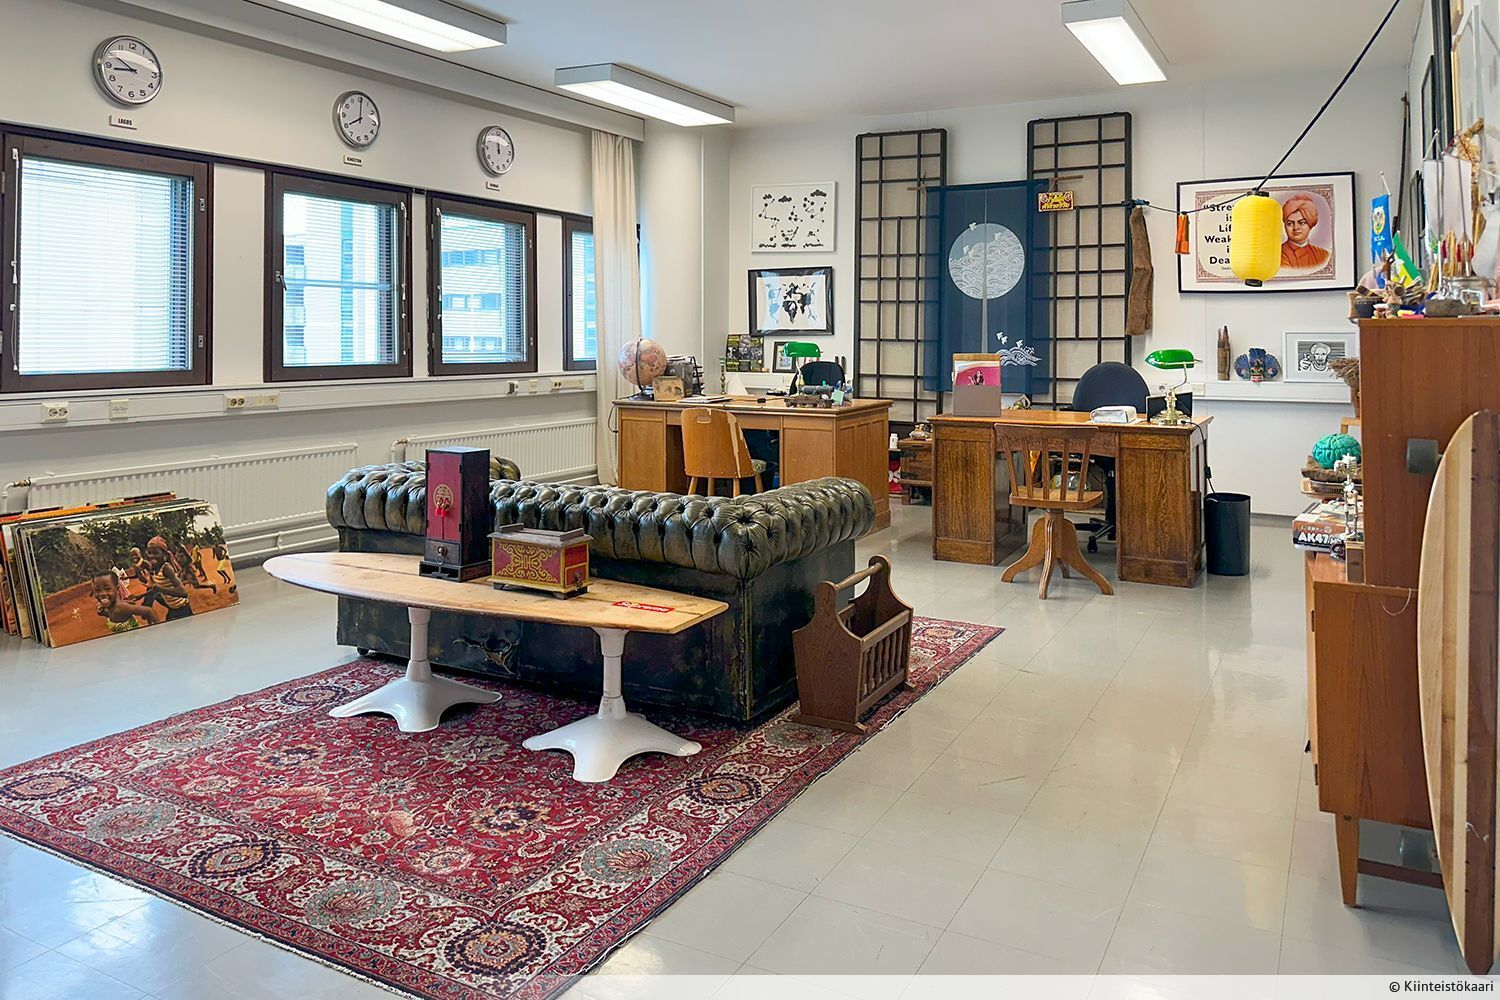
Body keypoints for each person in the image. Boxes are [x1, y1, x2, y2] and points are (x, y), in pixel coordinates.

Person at [145, 536, 195, 621]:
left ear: (164, 555)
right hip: (173, 608)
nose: (151, 556)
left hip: (182, 609)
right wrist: (139, 596)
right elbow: (156, 588)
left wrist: (157, 588)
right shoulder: (155, 569)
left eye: (155, 553)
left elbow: (183, 592)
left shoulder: (166, 568)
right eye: (149, 553)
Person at [92, 570, 158, 633]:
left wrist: (159, 630)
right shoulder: (109, 607)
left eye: (108, 589)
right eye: (97, 590)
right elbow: (116, 616)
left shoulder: (121, 607)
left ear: (117, 589)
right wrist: (104, 613)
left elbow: (148, 611)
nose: (102, 594)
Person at [1280, 195, 1332, 270]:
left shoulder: (1323, 254)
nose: (1296, 228)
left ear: (1310, 225)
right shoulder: (1279, 255)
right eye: (1290, 224)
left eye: (1301, 223)